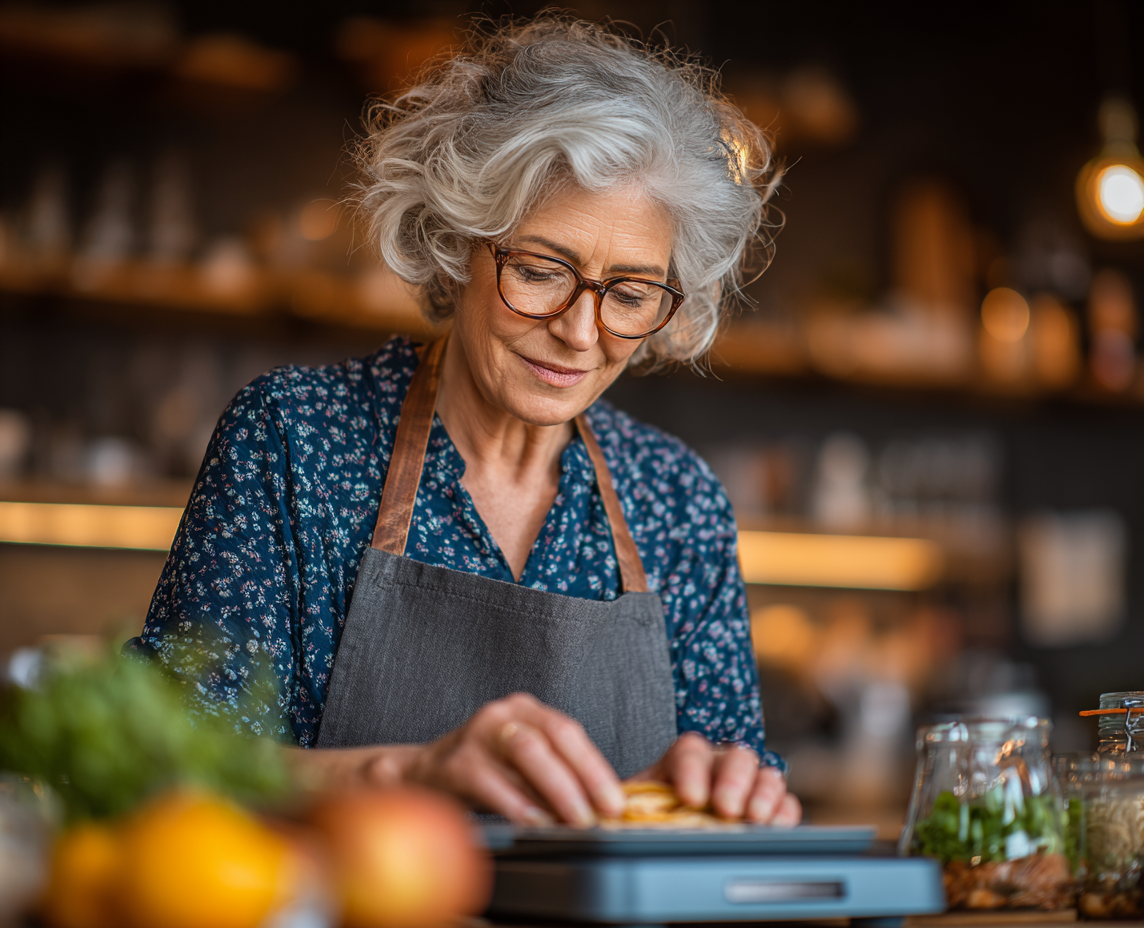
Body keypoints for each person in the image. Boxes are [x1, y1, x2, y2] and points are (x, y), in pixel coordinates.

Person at [134, 16, 800, 827]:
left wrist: (731, 791)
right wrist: (409, 772)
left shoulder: (678, 500)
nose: (581, 333)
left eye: (629, 294)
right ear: (456, 243)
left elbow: (737, 795)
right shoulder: (294, 440)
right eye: (540, 270)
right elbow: (165, 767)